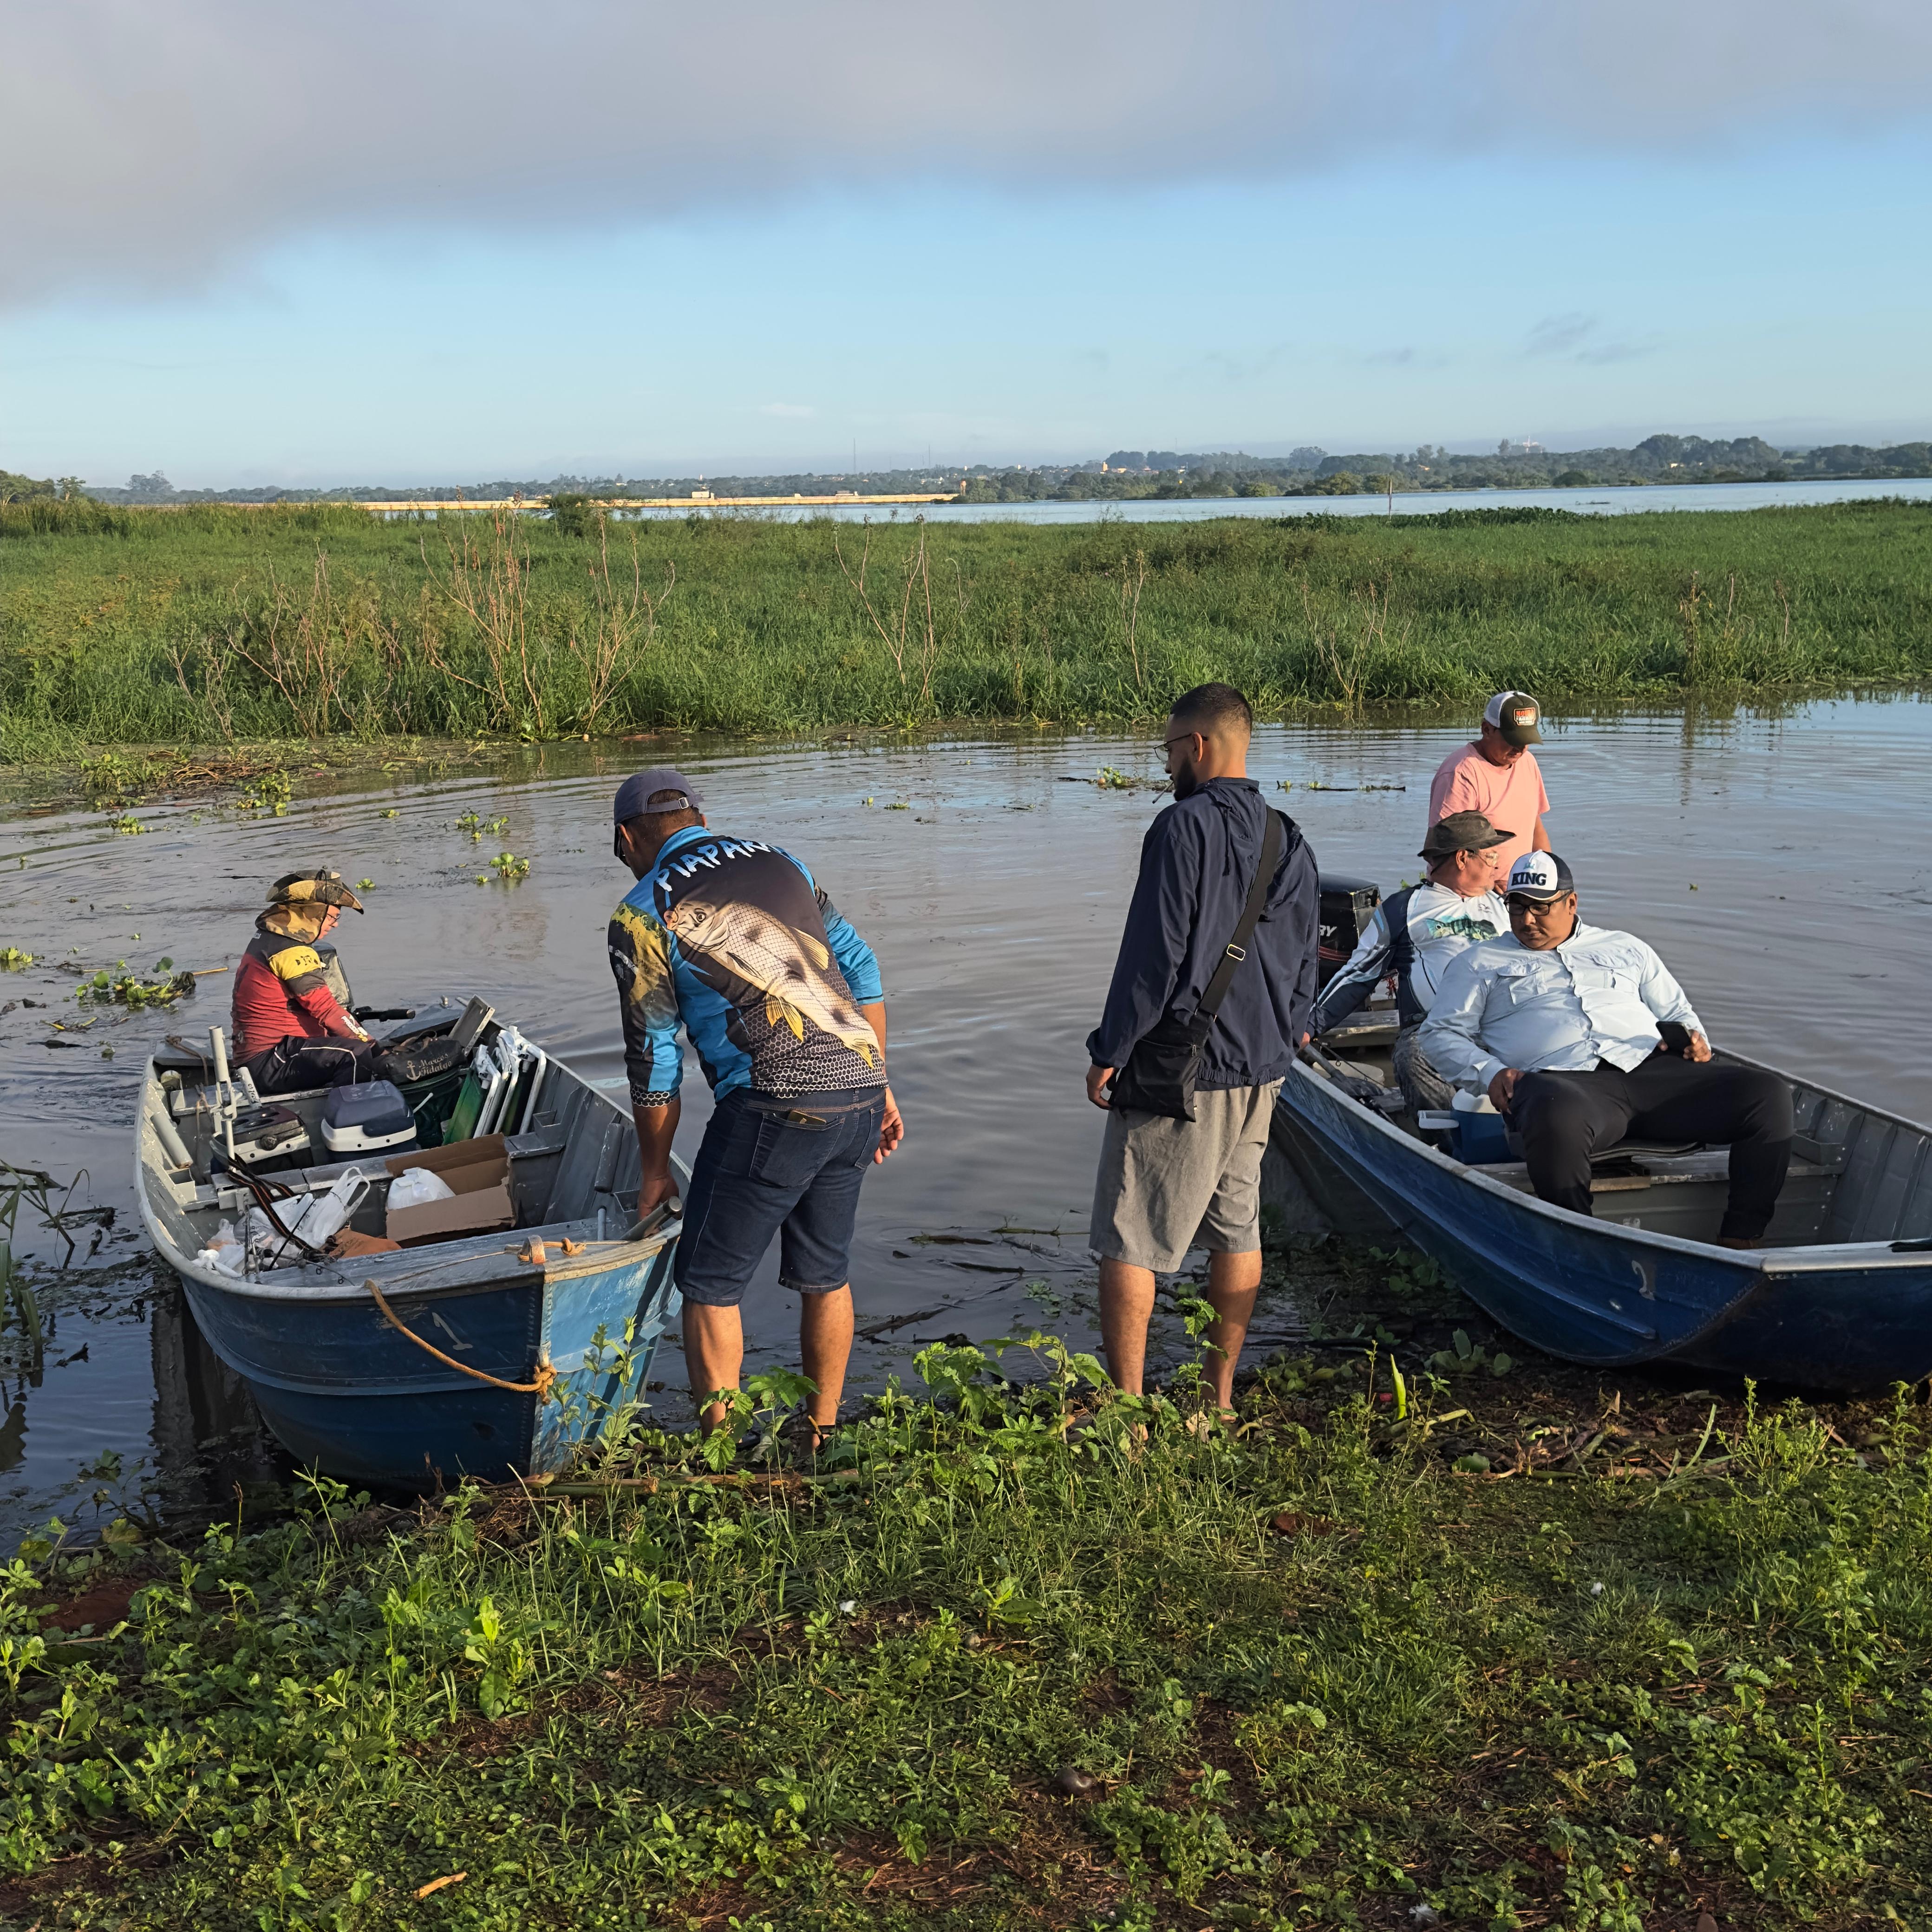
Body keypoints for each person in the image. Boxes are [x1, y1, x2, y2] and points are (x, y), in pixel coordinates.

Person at [607, 767, 904, 1438]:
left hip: (772, 1107)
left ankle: (721, 1450)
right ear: (699, 817)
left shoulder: (642, 912)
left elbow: (654, 1059)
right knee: (827, 1274)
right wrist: (878, 1082)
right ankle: (821, 1431)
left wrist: (655, 1172)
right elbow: (862, 970)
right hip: (857, 1094)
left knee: (708, 1286)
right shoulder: (783, 862)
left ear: (628, 838)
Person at [1085, 683, 1320, 1410]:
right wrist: (1291, 1034)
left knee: (1130, 1235)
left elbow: (1155, 957)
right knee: (1235, 1228)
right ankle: (1217, 1399)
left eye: (1169, 749)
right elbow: (1307, 955)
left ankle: (1128, 1415)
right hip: (1264, 1067)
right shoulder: (1290, 835)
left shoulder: (1181, 828)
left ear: (1199, 745)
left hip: (1185, 1069)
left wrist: (1111, 1047)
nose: (1166, 764)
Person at [1419, 851, 1792, 1247]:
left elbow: (1679, 1013)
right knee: (1549, 1103)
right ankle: (1583, 1247)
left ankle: (1740, 1241)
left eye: (1541, 909)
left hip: (1656, 1075)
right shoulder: (1479, 961)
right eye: (1517, 907)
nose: (1527, 921)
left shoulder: (1626, 948)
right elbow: (1440, 1034)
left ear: (1572, 903)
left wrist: (1695, 1041)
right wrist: (1491, 1073)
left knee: (1766, 1093)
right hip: (1566, 1087)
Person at [1312, 810, 1511, 1110]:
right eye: (1491, 856)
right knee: (1413, 1057)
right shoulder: (1404, 908)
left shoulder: (1505, 906)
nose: (1497, 865)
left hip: (1502, 1022)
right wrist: (1309, 1026)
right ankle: (1449, 1142)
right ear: (1462, 858)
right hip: (1433, 1028)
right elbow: (1359, 974)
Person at [232, 868, 375, 1093]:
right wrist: (374, 1048)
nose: (335, 924)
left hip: (261, 1058)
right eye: (333, 917)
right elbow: (327, 1010)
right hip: (269, 1061)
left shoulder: (268, 940)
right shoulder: (290, 951)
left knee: (350, 1043)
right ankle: (352, 1120)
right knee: (356, 1054)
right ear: (313, 913)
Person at [1426, 690, 1551, 877]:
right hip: (1471, 893)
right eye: (1513, 740)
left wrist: (1549, 875)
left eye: (1526, 741)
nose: (1520, 749)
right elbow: (1442, 851)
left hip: (1518, 891)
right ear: (1486, 729)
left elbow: (1535, 826)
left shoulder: (1528, 763)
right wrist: (1487, 886)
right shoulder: (1461, 774)